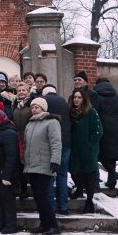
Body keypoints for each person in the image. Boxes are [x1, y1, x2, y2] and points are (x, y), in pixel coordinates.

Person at [23, 97, 61, 235]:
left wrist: (55, 160)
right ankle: (44, 224)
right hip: (31, 165)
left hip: (45, 165)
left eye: (37, 107)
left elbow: (56, 142)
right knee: (38, 197)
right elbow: (27, 145)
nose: (34, 109)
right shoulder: (30, 124)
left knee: (43, 196)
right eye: (32, 107)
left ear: (43, 108)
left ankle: (53, 225)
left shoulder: (52, 122)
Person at [92, 77, 118, 189]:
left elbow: (93, 112)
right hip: (117, 131)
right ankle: (111, 180)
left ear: (97, 85)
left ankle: (112, 174)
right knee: (112, 156)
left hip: (103, 130)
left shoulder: (97, 97)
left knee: (101, 155)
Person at [69, 90, 103, 213]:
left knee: (89, 176)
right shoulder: (71, 113)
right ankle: (78, 188)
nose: (76, 100)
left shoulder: (91, 112)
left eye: (79, 97)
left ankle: (89, 202)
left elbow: (98, 131)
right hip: (75, 150)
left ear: (84, 99)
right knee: (75, 172)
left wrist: (90, 146)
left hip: (88, 151)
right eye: (75, 97)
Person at [41, 85, 72, 215]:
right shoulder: (64, 102)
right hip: (65, 143)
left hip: (50, 144)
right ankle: (63, 206)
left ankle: (50, 206)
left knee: (49, 176)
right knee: (62, 175)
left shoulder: (43, 100)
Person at [11, 83, 33, 198]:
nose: (21, 92)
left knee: (25, 164)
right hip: (16, 137)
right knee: (18, 165)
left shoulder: (31, 104)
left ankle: (25, 189)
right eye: (19, 90)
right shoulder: (14, 104)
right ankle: (19, 188)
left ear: (28, 92)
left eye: (23, 90)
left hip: (28, 137)